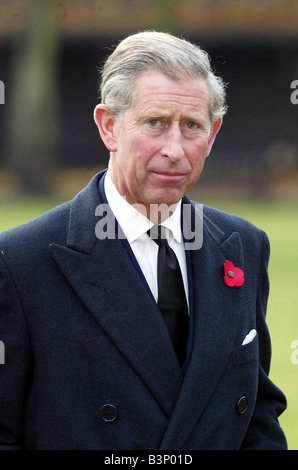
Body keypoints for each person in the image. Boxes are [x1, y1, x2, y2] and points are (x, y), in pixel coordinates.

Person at [0, 31, 287, 450]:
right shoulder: (20, 262)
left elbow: (257, 417)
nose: (175, 149)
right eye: (155, 123)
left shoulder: (243, 246)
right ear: (109, 127)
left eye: (191, 126)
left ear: (213, 133)